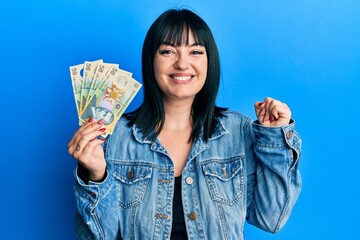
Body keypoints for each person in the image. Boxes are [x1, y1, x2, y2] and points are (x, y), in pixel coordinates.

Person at [68, 8, 302, 240]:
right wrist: (95, 176)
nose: (182, 63)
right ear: (151, 61)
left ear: (210, 61)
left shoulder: (238, 132)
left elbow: (271, 219)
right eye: (168, 51)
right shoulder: (115, 138)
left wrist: (274, 139)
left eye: (196, 52)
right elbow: (97, 236)